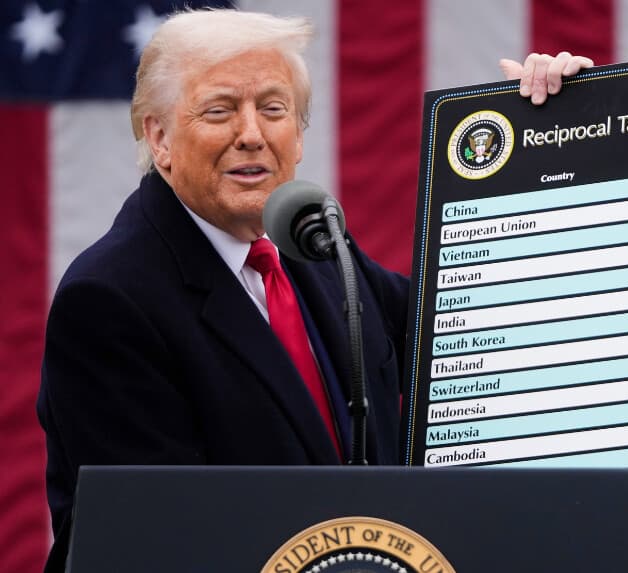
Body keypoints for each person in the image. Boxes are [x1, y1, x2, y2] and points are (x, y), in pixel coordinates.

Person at [36, 8, 592, 572]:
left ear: (298, 135)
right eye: (219, 110)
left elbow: (469, 329)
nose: (251, 134)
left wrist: (544, 145)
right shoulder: (109, 299)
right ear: (159, 138)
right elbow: (159, 540)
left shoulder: (315, 247)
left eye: (273, 109)